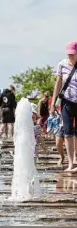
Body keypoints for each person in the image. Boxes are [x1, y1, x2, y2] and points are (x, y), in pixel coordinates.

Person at [51, 41, 77, 172]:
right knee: (67, 132)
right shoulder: (62, 64)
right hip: (67, 101)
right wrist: (53, 103)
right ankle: (71, 163)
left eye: (73, 54)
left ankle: (76, 158)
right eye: (69, 54)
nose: (70, 57)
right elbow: (58, 84)